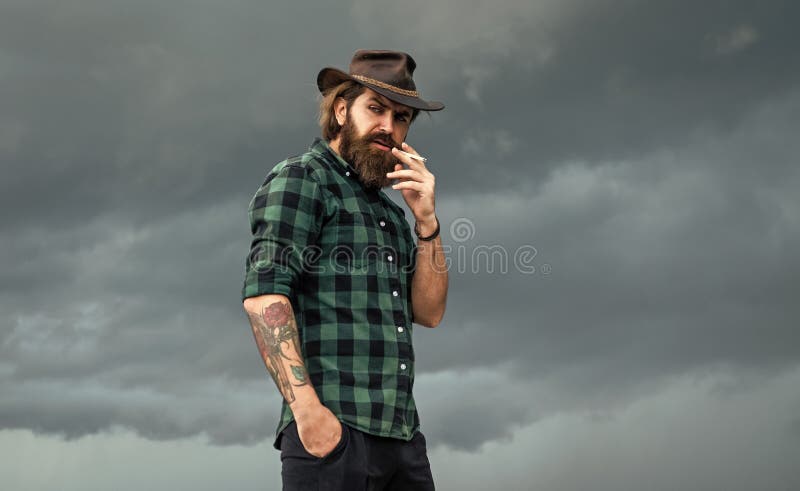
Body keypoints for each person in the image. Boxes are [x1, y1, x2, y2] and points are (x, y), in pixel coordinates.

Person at [241, 50, 449, 490]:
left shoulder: (390, 213)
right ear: (341, 110)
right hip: (333, 435)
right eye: (376, 109)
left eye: (402, 118)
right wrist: (308, 414)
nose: (388, 128)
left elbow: (429, 313)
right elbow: (265, 296)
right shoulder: (303, 179)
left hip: (401, 436)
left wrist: (427, 223)